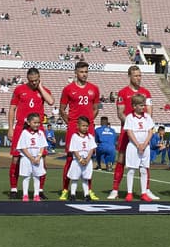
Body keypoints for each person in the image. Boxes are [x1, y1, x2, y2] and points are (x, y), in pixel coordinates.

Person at [6, 67, 53, 199]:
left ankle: (40, 189)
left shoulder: (43, 90)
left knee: (42, 158)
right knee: (16, 158)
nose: (34, 83)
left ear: (39, 78)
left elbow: (51, 101)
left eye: (36, 80)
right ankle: (14, 189)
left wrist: (41, 87)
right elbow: (12, 109)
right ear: (27, 79)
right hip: (21, 127)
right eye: (31, 81)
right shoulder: (19, 89)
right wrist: (11, 128)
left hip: (38, 128)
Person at [57, 61, 100, 199]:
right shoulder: (68, 89)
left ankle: (89, 190)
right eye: (82, 72)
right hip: (73, 128)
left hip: (89, 128)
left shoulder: (94, 88)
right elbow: (62, 109)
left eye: (86, 72)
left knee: (89, 158)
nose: (84, 74)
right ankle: (65, 189)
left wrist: (89, 123)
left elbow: (96, 108)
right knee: (71, 158)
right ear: (75, 72)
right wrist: (70, 124)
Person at [109, 65, 152, 198]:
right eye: (136, 76)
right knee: (121, 159)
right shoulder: (123, 92)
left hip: (142, 132)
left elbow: (149, 112)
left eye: (140, 75)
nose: (138, 78)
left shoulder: (146, 92)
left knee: (145, 162)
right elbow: (120, 113)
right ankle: (115, 189)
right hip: (127, 130)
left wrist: (145, 123)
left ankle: (146, 190)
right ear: (130, 76)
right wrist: (130, 123)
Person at [122, 94, 157, 202]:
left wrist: (145, 143)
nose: (143, 107)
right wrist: (138, 145)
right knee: (132, 169)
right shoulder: (129, 117)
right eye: (141, 105)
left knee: (143, 170)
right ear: (134, 106)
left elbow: (150, 131)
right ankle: (129, 193)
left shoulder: (147, 117)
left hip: (145, 147)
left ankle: (143, 193)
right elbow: (129, 132)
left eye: (144, 105)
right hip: (133, 146)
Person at [15, 113, 49, 201]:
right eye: (35, 122)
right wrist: (31, 158)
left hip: (37, 159)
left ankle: (36, 194)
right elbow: (23, 147)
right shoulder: (24, 133)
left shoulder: (41, 133)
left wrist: (38, 157)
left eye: (38, 123)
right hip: (26, 158)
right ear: (29, 123)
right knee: (26, 177)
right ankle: (25, 194)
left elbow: (42, 146)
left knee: (37, 176)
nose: (37, 124)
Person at [67, 116, 98, 201]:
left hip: (87, 161)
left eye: (86, 126)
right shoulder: (74, 136)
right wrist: (80, 159)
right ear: (78, 126)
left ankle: (86, 194)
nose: (85, 128)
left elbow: (92, 149)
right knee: (74, 178)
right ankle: (73, 194)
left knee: (85, 178)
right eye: (83, 125)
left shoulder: (90, 137)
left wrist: (87, 159)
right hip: (77, 161)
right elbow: (74, 149)